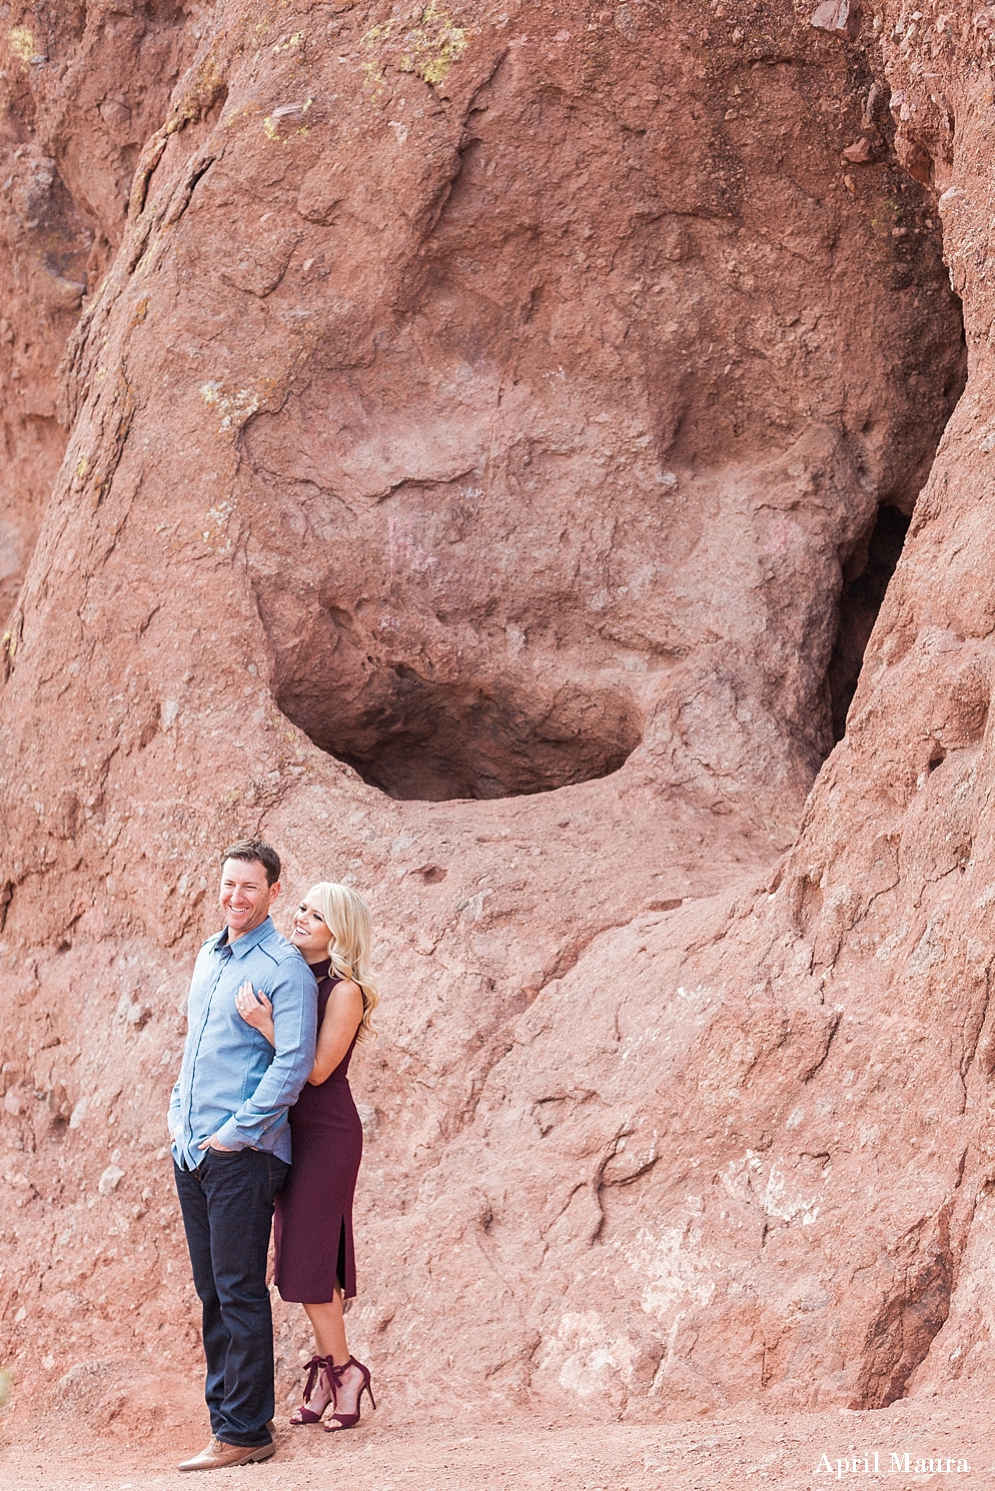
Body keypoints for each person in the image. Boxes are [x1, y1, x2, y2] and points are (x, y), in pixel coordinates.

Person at [167, 838, 318, 1472]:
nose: (236, 897)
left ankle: (246, 1431)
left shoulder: (284, 967)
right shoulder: (209, 953)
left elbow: (293, 1065)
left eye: (250, 887)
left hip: (242, 1152)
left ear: (273, 892)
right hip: (193, 1148)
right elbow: (194, 1047)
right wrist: (179, 1118)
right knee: (212, 1290)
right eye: (229, 884)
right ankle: (225, 1425)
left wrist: (236, 1132)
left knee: (238, 1290)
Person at [235, 881, 379, 1431]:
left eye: (317, 915)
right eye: (301, 907)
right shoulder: (292, 971)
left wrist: (265, 1024)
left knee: (311, 1260)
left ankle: (343, 1372)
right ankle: (328, 1369)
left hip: (326, 1135)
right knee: (302, 1262)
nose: (301, 918)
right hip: (288, 1132)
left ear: (338, 932)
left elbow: (317, 1070)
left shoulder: (344, 990)